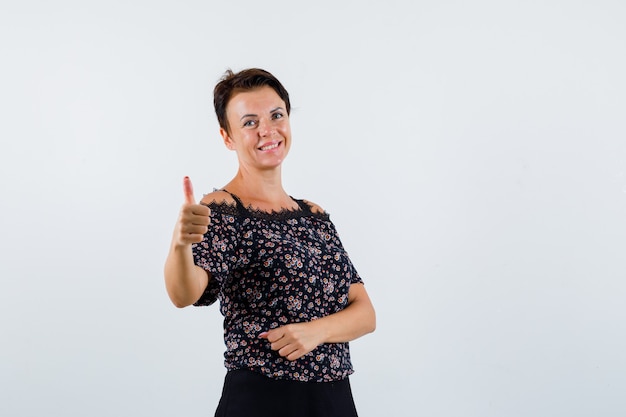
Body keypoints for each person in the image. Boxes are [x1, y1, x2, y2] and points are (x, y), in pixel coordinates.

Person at [164, 68, 376, 417]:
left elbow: (365, 313)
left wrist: (315, 332)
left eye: (276, 115)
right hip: (264, 399)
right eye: (249, 122)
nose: (267, 130)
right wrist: (180, 244)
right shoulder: (223, 209)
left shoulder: (313, 214)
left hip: (334, 401)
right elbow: (183, 294)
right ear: (227, 137)